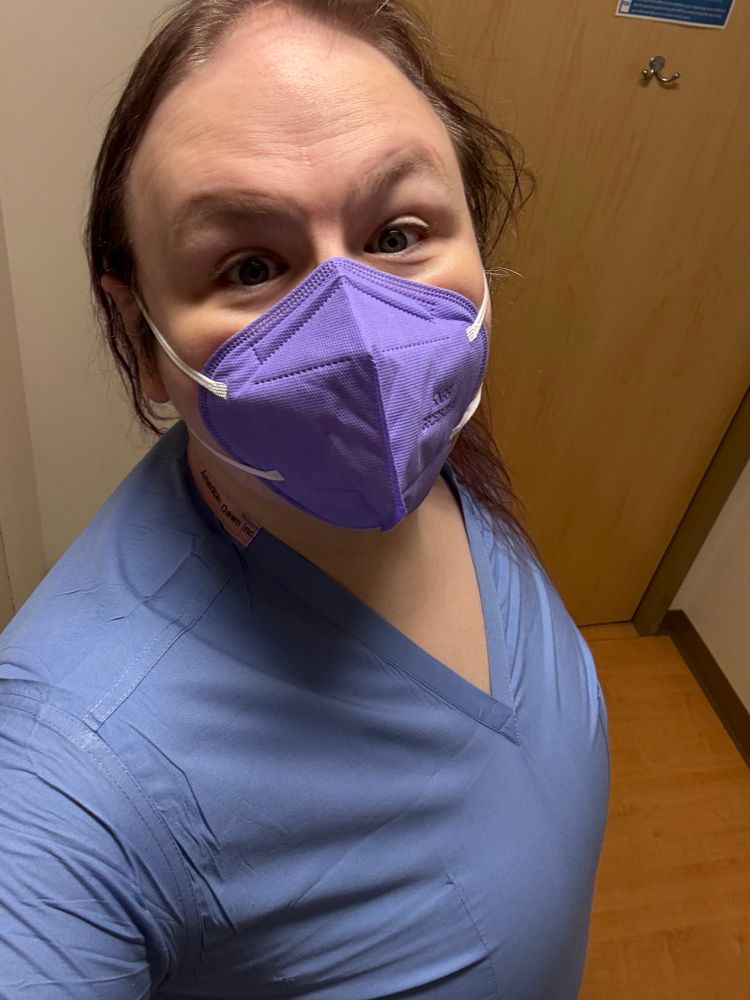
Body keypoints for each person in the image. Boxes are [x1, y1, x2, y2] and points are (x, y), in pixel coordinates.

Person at [0, 1, 610, 997]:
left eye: (397, 233)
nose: (360, 340)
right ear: (140, 333)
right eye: (250, 266)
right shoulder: (65, 766)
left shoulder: (449, 462)